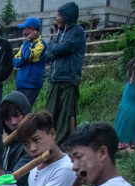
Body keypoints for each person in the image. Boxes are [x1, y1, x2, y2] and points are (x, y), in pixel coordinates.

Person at [44, 2, 86, 144]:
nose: (57, 18)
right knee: (50, 113)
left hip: (69, 79)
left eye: (59, 15)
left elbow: (66, 48)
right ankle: (51, 140)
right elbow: (48, 53)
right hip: (55, 79)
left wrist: (55, 50)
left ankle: (70, 142)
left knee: (67, 114)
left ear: (68, 17)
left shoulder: (77, 32)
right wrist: (56, 50)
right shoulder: (58, 34)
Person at [0, 92, 32, 186]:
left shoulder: (31, 145)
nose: (13, 122)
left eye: (16, 115)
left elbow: (15, 180)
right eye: (7, 118)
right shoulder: (9, 142)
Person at [12, 17, 46, 108]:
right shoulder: (25, 45)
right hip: (21, 83)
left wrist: (27, 43)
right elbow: (15, 61)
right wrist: (24, 59)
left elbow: (28, 55)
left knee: (24, 110)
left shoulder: (41, 44)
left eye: (27, 29)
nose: (24, 32)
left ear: (34, 30)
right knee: (17, 110)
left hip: (32, 85)